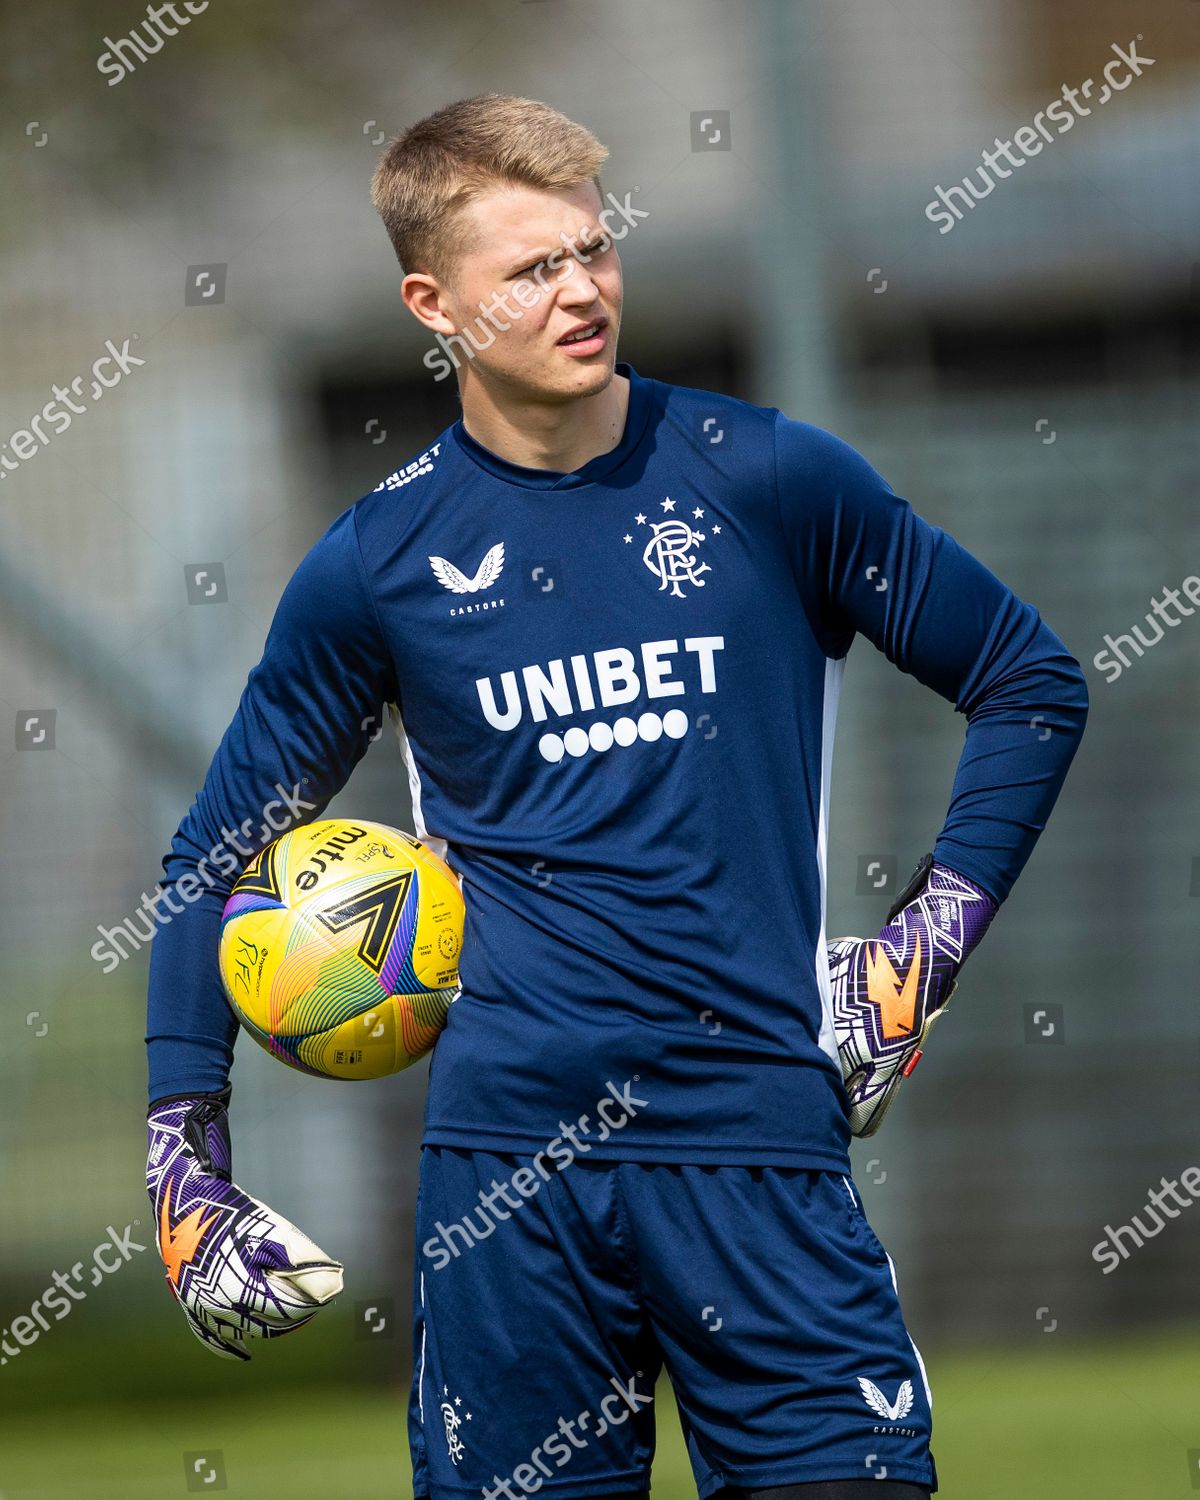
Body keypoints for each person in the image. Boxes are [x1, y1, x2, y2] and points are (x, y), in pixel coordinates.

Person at [144, 94, 1088, 1500]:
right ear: (434, 304)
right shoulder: (378, 563)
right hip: (508, 1185)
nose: (582, 288)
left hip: (761, 1148)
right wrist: (183, 1164)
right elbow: (217, 852)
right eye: (530, 267)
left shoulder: (767, 477)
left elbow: (1030, 680)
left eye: (595, 247)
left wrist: (919, 955)